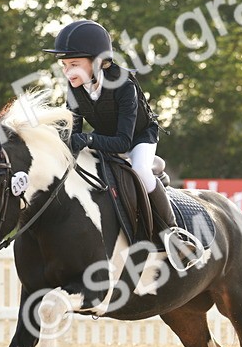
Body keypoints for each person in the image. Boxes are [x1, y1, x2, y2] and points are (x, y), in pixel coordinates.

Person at [43, 19, 205, 271]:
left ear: (98, 62)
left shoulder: (124, 85)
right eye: (64, 65)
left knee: (140, 169)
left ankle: (174, 234)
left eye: (74, 64)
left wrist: (86, 139)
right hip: (104, 136)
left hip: (138, 139)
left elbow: (122, 141)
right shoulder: (74, 89)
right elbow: (72, 132)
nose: (67, 71)